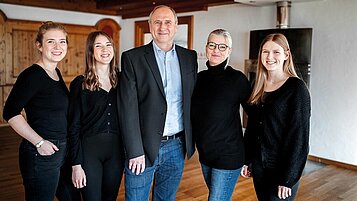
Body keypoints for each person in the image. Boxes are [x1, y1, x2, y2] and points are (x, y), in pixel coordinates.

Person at [118, 5, 198, 201]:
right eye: (158, 22)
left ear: (176, 25)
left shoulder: (189, 57)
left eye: (168, 22)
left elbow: (192, 100)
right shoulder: (132, 58)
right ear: (150, 25)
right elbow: (127, 108)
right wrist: (135, 150)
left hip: (177, 146)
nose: (163, 27)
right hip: (142, 147)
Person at [2, 21, 70, 201]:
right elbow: (10, 113)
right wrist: (39, 143)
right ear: (39, 45)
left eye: (62, 41)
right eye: (51, 41)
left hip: (62, 150)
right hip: (41, 154)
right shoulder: (32, 75)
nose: (58, 47)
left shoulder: (56, 73)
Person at [241, 33, 311, 201]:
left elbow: (299, 138)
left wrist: (288, 178)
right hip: (259, 165)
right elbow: (252, 127)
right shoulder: (257, 85)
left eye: (276, 52)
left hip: (282, 169)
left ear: (286, 54)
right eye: (265, 52)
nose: (269, 57)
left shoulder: (296, 89)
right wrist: (247, 159)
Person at [191, 29, 251, 201]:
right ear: (206, 48)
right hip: (205, 155)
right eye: (212, 45)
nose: (216, 50)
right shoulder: (198, 79)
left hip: (229, 154)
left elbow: (255, 116)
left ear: (229, 51)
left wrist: (249, 155)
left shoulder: (237, 80)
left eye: (222, 46)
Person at [68, 31, 124, 201]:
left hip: (117, 153)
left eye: (108, 45)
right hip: (88, 154)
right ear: (91, 51)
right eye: (98, 45)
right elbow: (73, 126)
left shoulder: (123, 80)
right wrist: (76, 164)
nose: (104, 49)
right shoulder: (80, 83)